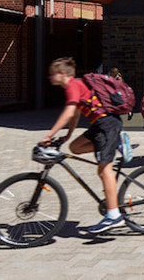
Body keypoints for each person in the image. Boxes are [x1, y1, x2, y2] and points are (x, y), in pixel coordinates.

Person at [40, 57, 125, 235]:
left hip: (107, 124)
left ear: (62, 74)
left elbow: (69, 111)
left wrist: (49, 135)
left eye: (52, 74)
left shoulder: (72, 85)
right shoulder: (75, 86)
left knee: (103, 170)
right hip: (100, 124)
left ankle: (114, 215)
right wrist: (68, 136)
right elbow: (76, 114)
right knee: (75, 147)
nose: (49, 77)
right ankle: (114, 144)